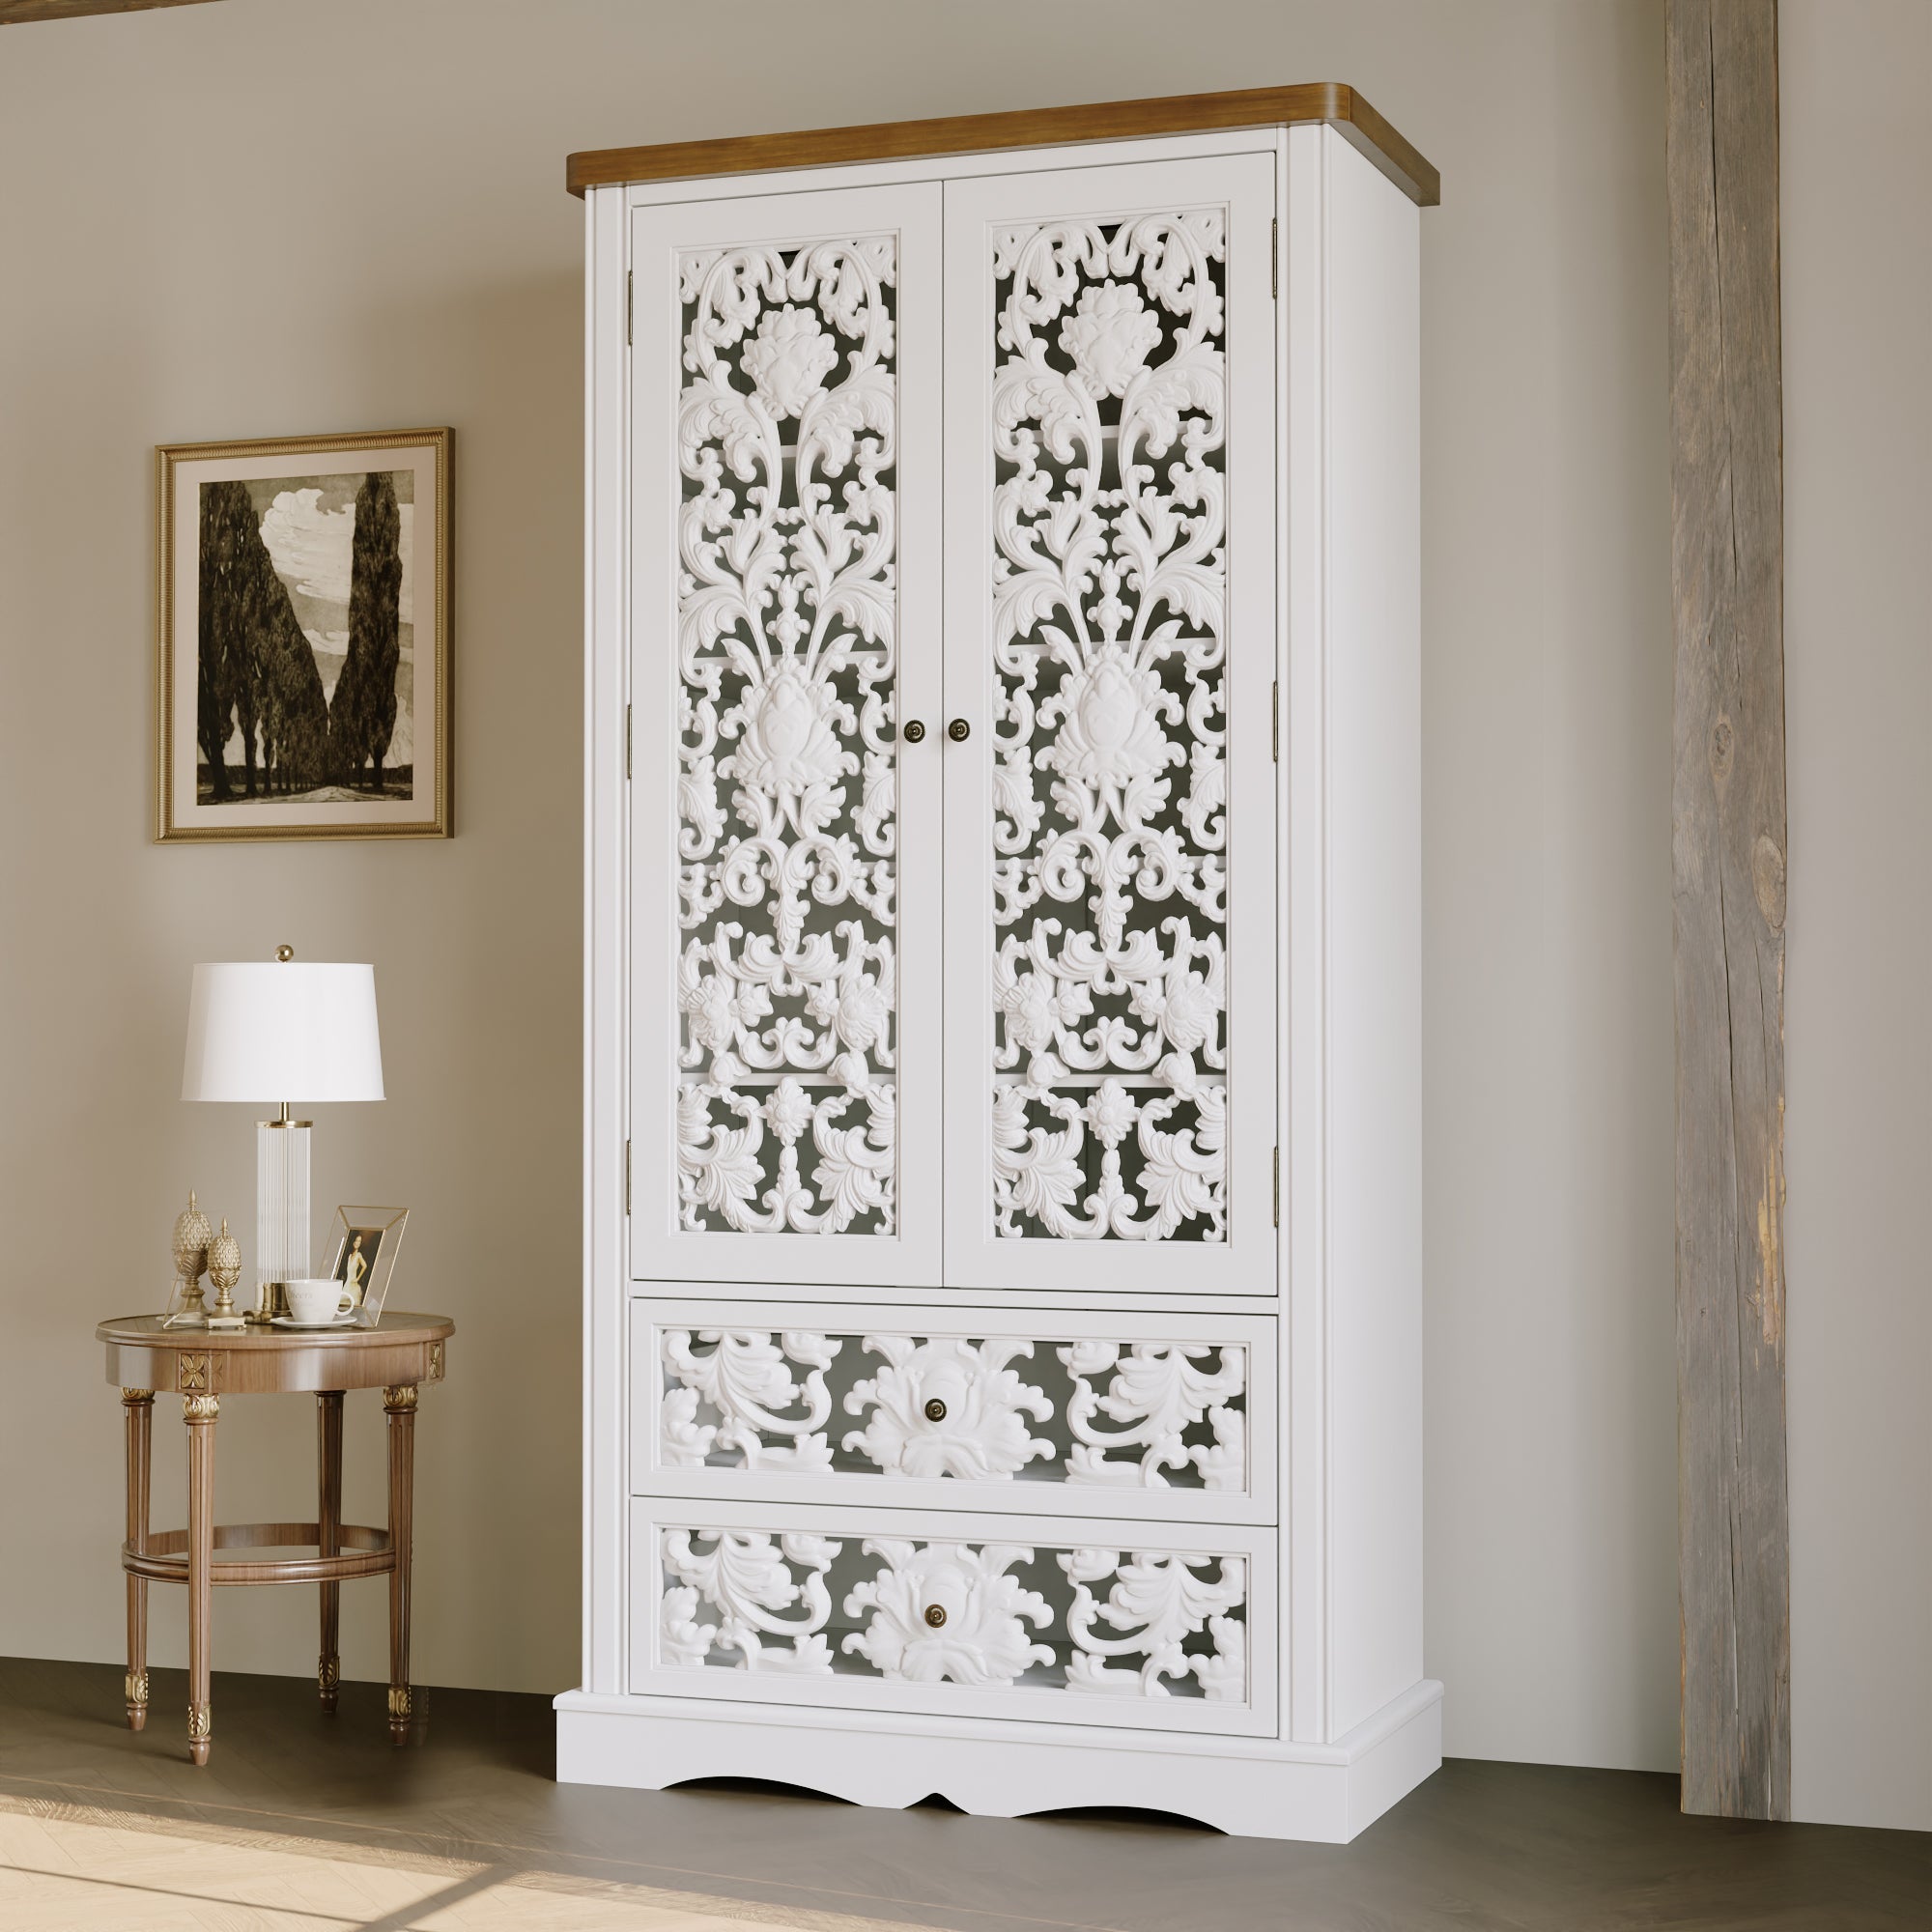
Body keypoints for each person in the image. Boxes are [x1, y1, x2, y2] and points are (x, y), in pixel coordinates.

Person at [340, 1232, 370, 1311]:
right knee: (343, 1303)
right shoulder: (349, 1256)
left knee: (353, 1304)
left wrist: (357, 1278)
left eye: (359, 1241)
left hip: (353, 1285)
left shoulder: (359, 1255)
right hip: (347, 1284)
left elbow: (365, 1266)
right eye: (356, 1240)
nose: (357, 1243)